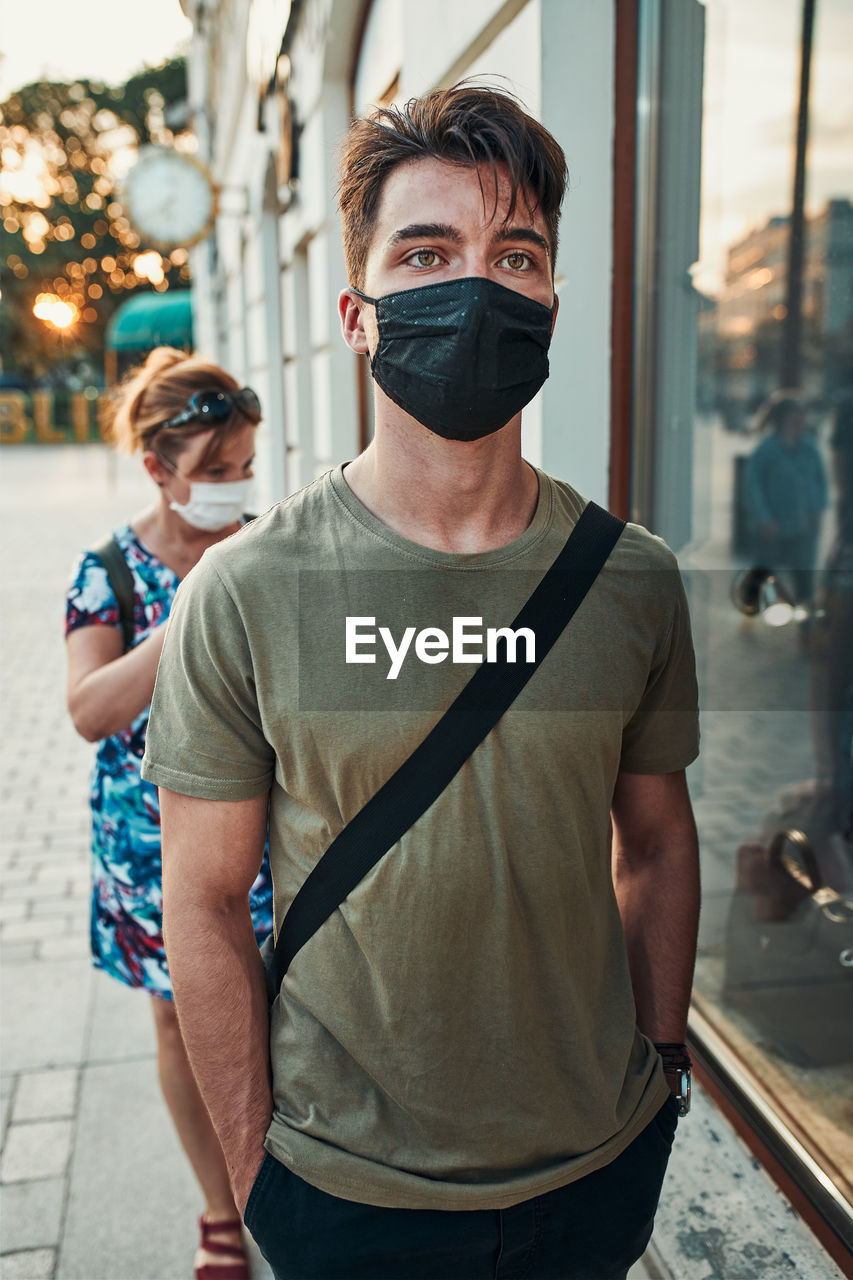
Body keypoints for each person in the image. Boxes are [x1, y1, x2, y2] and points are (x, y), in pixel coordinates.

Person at [142, 86, 701, 1280]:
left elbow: (655, 842)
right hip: (341, 1190)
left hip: (595, 1167)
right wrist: (251, 1172)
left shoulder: (633, 580)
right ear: (357, 313)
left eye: (516, 254)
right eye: (427, 252)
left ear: (550, 301)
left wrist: (664, 1070)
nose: (479, 288)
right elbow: (200, 900)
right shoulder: (243, 593)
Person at [65, 346, 273, 1280]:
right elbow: (88, 709)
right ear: (158, 468)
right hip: (148, 849)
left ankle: (281, 1181)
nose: (236, 489)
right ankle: (219, 1210)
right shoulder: (106, 569)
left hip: (268, 837)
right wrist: (189, 608)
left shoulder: (265, 549)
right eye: (216, 473)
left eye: (245, 470)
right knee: (180, 1024)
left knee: (276, 1011)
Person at [744, 390, 828, 607]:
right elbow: (753, 486)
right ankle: (751, 610)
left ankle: (805, 625)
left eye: (802, 416)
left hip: (804, 524)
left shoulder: (809, 447)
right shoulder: (766, 449)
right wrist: (764, 519)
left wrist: (819, 509)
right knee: (763, 571)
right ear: (782, 419)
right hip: (774, 524)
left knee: (804, 575)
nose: (800, 421)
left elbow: (820, 480)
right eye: (795, 416)